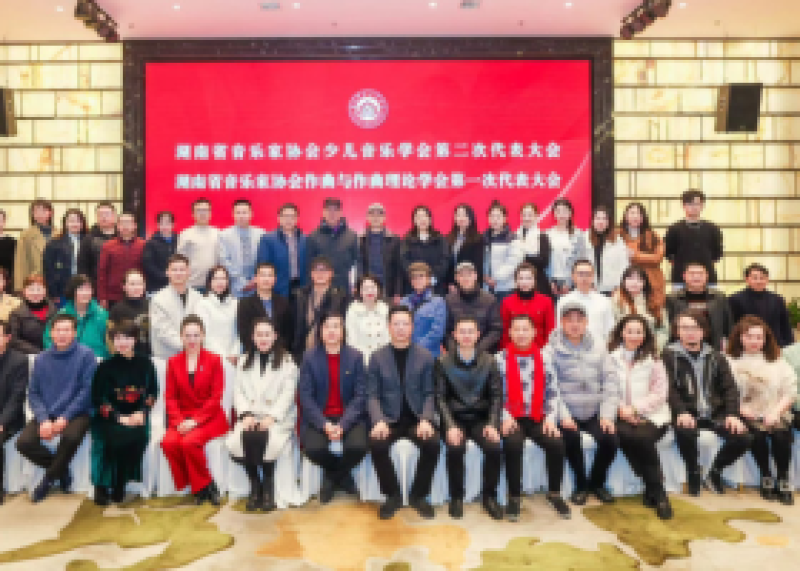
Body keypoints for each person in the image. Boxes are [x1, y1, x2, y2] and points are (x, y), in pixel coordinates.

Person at [664, 309, 752, 495]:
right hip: (686, 413)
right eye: (685, 328)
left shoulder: (717, 356)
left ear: (704, 331)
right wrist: (680, 411)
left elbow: (730, 388)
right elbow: (668, 388)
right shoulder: (668, 355)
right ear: (677, 331)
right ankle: (693, 471)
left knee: (744, 437)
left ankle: (715, 471)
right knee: (684, 431)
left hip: (715, 414)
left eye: (695, 328)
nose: (690, 332)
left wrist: (732, 415)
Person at [544, 301, 620, 505]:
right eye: (569, 320)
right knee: (571, 438)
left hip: (595, 410)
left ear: (586, 322)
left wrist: (607, 415)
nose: (574, 324)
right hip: (567, 410)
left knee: (611, 439)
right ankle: (580, 485)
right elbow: (550, 387)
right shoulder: (550, 350)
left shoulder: (599, 346)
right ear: (561, 322)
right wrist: (563, 415)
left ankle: (597, 482)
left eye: (579, 320)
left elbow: (611, 381)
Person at [367, 306, 439, 520]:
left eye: (405, 324)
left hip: (416, 419)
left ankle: (419, 495)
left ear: (412, 327)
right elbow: (372, 395)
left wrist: (426, 419)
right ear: (389, 327)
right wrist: (378, 420)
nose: (400, 328)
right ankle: (393, 495)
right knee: (377, 444)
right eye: (396, 324)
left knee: (432, 443)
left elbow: (430, 393)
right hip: (389, 419)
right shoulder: (377, 357)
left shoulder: (425, 356)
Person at [16, 314, 97, 502]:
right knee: (24, 443)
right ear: (51, 333)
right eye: (58, 330)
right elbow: (33, 393)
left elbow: (87, 391)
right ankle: (61, 470)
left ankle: (48, 480)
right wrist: (44, 419)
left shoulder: (86, 355)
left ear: (74, 333)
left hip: (78, 412)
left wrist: (65, 417)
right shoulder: (41, 359)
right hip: (48, 412)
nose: (62, 334)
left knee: (71, 436)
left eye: (66, 330)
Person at [498, 314, 570, 520]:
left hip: (538, 416)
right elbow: (495, 395)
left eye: (525, 329)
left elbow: (553, 392)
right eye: (517, 329)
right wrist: (505, 417)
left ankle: (554, 493)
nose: (521, 333)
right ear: (510, 332)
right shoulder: (499, 359)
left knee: (556, 443)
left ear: (534, 332)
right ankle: (514, 496)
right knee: (513, 444)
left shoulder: (545, 358)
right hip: (512, 416)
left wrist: (550, 419)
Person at [436, 316, 504, 520]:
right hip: (455, 418)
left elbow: (496, 396)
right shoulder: (442, 362)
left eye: (470, 332)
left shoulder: (489, 361)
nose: (466, 336)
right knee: (455, 448)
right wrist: (449, 426)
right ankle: (456, 497)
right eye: (462, 332)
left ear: (477, 335)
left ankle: (489, 496)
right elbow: (440, 398)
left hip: (481, 418)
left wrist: (492, 424)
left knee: (494, 447)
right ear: (454, 335)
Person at [227, 317, 298, 512]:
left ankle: (268, 485)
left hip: (277, 417)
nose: (263, 338)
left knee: (264, 436)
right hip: (250, 415)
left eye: (267, 334)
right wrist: (245, 415)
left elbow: (287, 395)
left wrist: (272, 417)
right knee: (243, 437)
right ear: (253, 337)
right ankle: (254, 484)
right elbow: (238, 392)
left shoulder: (288, 362)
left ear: (275, 336)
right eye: (259, 334)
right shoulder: (243, 361)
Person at [297, 311, 368, 503]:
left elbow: (360, 396)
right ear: (320, 331)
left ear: (343, 331)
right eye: (327, 326)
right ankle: (342, 476)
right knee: (313, 449)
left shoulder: (356, 356)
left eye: (336, 326)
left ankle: (331, 478)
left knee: (359, 447)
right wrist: (324, 424)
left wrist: (343, 424)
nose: (331, 331)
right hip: (320, 417)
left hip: (349, 417)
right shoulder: (309, 357)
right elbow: (306, 396)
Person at [608, 315, 673, 519]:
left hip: (653, 414)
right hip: (620, 414)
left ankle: (657, 492)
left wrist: (635, 409)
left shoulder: (654, 360)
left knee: (643, 438)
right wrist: (622, 410)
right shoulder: (610, 358)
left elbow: (660, 393)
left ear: (645, 335)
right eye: (630, 331)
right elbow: (607, 389)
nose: (634, 336)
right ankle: (655, 488)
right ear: (621, 333)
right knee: (624, 435)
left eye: (639, 332)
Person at [726, 316, 796, 504]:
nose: (754, 341)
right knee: (757, 434)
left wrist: (776, 412)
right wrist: (740, 409)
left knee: (781, 434)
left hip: (775, 410)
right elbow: (723, 392)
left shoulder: (778, 361)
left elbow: (790, 392)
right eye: (749, 336)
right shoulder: (729, 361)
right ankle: (766, 476)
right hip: (745, 411)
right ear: (740, 337)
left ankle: (783, 478)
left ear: (766, 339)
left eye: (759, 337)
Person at [160, 315, 229, 505]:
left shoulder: (214, 360)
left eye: (196, 335)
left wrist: (195, 421)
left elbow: (216, 397)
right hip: (182, 417)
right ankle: (203, 485)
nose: (192, 340)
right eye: (187, 335)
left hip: (210, 417)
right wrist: (178, 421)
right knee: (168, 443)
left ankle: (202, 488)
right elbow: (170, 397)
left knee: (189, 442)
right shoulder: (173, 362)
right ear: (181, 337)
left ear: (203, 336)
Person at [90, 320, 157, 505]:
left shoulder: (146, 363)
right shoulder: (105, 366)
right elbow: (98, 398)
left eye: (127, 337)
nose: (122, 342)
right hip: (110, 416)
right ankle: (101, 485)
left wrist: (142, 412)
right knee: (106, 439)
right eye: (118, 338)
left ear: (135, 339)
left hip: (137, 415)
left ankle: (120, 482)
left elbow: (152, 393)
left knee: (136, 436)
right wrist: (119, 417)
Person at [290, 256, 348, 363]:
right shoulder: (299, 295)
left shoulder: (341, 297)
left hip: (331, 352)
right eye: (316, 270)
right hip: (303, 354)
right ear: (311, 274)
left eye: (324, 270)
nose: (320, 274)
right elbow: (293, 327)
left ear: (331, 273)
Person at [665, 262, 733, 352]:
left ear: (707, 276)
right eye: (692, 274)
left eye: (700, 274)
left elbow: (728, 324)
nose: (696, 277)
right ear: (684, 276)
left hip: (713, 346)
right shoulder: (672, 299)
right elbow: (668, 325)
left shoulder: (719, 297)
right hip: (681, 347)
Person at [665, 190, 723, 288]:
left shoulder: (713, 228)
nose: (694, 207)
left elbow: (717, 254)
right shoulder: (674, 229)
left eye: (697, 204)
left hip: (708, 278)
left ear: (702, 206)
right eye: (690, 204)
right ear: (683, 206)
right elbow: (668, 253)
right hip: (680, 279)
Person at [43, 274, 109, 359]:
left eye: (88, 289)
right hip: (67, 359)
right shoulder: (62, 314)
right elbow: (48, 339)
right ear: (73, 291)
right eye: (81, 289)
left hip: (97, 359)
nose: (85, 293)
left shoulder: (102, 315)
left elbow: (110, 342)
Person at [150, 254, 202, 360]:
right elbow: (163, 331)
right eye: (174, 270)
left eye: (182, 270)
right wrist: (188, 345)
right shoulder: (158, 299)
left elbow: (202, 327)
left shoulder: (198, 298)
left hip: (194, 356)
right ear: (167, 272)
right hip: (167, 357)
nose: (178, 273)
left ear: (188, 272)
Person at [729, 264, 794, 348]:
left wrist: (789, 345)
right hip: (747, 347)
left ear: (767, 279)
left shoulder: (778, 300)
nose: (759, 281)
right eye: (755, 278)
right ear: (747, 279)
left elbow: (785, 325)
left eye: (762, 278)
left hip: (775, 345)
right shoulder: (735, 299)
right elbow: (732, 325)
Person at [444, 262, 502, 355]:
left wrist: (478, 349)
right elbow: (446, 330)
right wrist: (455, 350)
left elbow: (496, 329)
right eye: (462, 275)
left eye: (469, 275)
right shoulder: (448, 300)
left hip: (483, 352)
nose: (466, 278)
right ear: (456, 278)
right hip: (456, 352)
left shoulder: (490, 300)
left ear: (475, 276)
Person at [615, 202, 666, 306]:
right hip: (624, 281)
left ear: (643, 217)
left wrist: (635, 255)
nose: (635, 216)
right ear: (625, 216)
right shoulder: (617, 235)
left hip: (651, 281)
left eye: (639, 213)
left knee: (650, 309)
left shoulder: (652, 235)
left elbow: (658, 258)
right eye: (632, 213)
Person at [0, 319, 28, 504]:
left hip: (9, 418)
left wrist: (2, 422)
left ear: (8, 338)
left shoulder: (18, 360)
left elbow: (17, 397)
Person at [236, 262, 292, 355]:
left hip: (279, 354)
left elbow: (288, 332)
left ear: (275, 279)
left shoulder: (284, 302)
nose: (266, 279)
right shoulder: (245, 304)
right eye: (262, 275)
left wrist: (278, 350)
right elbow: (244, 333)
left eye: (270, 275)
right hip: (254, 354)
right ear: (255, 279)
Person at [556, 260, 616, 345]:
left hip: (599, 348)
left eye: (588, 274)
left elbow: (610, 329)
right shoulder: (564, 301)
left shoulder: (604, 301)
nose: (584, 278)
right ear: (573, 276)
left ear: (593, 277)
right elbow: (560, 329)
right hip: (572, 349)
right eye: (580, 274)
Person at [305, 197, 358, 293]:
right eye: (328, 210)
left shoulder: (352, 236)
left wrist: (356, 285)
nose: (332, 213)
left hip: (344, 287)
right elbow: (309, 265)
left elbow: (356, 263)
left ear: (341, 213)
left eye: (335, 210)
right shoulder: (313, 236)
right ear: (323, 213)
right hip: (321, 288)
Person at [612, 265, 670, 353]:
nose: (634, 283)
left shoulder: (655, 301)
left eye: (639, 279)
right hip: (623, 350)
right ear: (623, 281)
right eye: (630, 278)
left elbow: (663, 330)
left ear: (645, 283)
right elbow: (613, 329)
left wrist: (655, 347)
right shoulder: (616, 301)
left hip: (651, 349)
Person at [256, 203, 307, 299]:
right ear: (279, 218)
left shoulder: (305, 239)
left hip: (300, 286)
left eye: (292, 216)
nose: (289, 220)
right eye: (285, 216)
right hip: (278, 287)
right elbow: (263, 264)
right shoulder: (268, 239)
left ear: (297, 219)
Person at [397, 205, 450, 296]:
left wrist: (431, 279)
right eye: (419, 217)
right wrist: (417, 279)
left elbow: (445, 260)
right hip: (413, 286)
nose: (422, 220)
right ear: (414, 221)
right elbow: (404, 261)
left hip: (435, 286)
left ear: (430, 219)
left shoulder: (440, 239)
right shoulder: (407, 240)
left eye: (425, 216)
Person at [500, 262, 555, 350]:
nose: (524, 282)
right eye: (521, 278)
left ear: (534, 281)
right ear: (516, 281)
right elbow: (505, 331)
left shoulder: (546, 301)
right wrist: (505, 351)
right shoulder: (507, 302)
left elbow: (550, 330)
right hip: (514, 350)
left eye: (528, 278)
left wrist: (547, 351)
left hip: (540, 349)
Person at [96, 213, 145, 309]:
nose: (125, 226)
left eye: (128, 223)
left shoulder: (143, 245)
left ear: (135, 226)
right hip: (113, 296)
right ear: (117, 226)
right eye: (122, 223)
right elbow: (102, 272)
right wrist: (102, 297)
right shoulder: (108, 246)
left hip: (137, 294)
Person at [218, 199, 265, 298]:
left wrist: (256, 279)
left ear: (251, 214)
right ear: (233, 214)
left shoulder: (261, 233)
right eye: (238, 213)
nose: (241, 216)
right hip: (234, 285)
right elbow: (224, 260)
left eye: (244, 212)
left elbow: (264, 259)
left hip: (257, 284)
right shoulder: (224, 235)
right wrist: (242, 282)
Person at [194, 266, 240, 365]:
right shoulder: (202, 304)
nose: (220, 282)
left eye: (223, 278)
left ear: (228, 281)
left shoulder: (235, 303)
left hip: (233, 359)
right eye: (216, 279)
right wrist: (224, 357)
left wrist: (234, 353)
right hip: (211, 358)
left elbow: (238, 333)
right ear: (209, 282)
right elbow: (205, 335)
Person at [400, 262, 446, 357]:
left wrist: (416, 348)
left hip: (429, 354)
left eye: (421, 276)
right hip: (406, 353)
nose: (418, 280)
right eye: (414, 277)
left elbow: (437, 332)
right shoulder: (404, 301)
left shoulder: (438, 302)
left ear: (428, 279)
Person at [43, 208, 87, 306]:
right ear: (65, 223)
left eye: (78, 221)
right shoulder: (54, 243)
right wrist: (53, 293)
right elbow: (49, 270)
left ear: (82, 223)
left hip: (84, 289)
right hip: (62, 290)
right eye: (71, 221)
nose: (75, 224)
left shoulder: (88, 241)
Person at [582, 205, 629, 296]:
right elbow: (579, 264)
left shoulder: (617, 240)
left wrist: (619, 286)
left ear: (609, 222)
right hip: (590, 288)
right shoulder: (584, 238)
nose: (601, 222)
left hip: (612, 289)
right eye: (598, 218)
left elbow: (624, 265)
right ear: (592, 221)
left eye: (604, 219)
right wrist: (588, 283)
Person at [357, 203, 400, 302]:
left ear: (384, 218)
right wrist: (358, 286)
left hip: (387, 288)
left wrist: (398, 291)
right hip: (367, 287)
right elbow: (358, 265)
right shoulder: (360, 239)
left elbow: (398, 268)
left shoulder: (394, 239)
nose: (375, 218)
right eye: (372, 214)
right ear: (367, 217)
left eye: (379, 214)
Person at [482, 201, 524, 303]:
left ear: (505, 218)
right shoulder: (483, 238)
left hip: (506, 287)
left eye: (498, 217)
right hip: (486, 287)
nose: (495, 220)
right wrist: (483, 277)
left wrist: (495, 278)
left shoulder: (513, 238)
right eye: (492, 216)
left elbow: (514, 262)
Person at [177, 197, 221, 292]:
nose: (202, 213)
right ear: (193, 214)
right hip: (192, 284)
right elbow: (180, 261)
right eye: (199, 211)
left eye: (205, 210)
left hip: (214, 284)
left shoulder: (218, 233)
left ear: (210, 213)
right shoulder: (185, 234)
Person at [545, 198, 585, 298]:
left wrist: (569, 282)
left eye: (564, 211)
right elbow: (545, 261)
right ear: (554, 214)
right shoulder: (547, 234)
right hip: (552, 281)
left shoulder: (578, 234)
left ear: (570, 213)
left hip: (571, 282)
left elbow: (580, 261)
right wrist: (550, 281)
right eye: (558, 211)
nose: (561, 215)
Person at [8, 274, 57, 355]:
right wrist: (39, 353)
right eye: (31, 289)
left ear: (45, 291)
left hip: (54, 353)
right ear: (24, 291)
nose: (35, 293)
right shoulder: (16, 314)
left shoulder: (55, 311)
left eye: (39, 289)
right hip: (28, 356)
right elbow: (13, 340)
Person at [346, 275, 390, 362]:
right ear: (359, 291)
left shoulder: (385, 309)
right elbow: (351, 340)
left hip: (383, 359)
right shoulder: (353, 310)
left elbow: (388, 338)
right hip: (360, 359)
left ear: (379, 289)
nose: (370, 291)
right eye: (365, 288)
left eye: (373, 287)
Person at [107, 269, 151, 356]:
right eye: (132, 284)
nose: (136, 287)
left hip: (149, 356)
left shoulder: (152, 306)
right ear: (124, 287)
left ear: (144, 285)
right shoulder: (116, 310)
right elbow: (110, 338)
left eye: (139, 283)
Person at [515, 202, 554, 299]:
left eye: (530, 215)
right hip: (518, 281)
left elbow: (544, 261)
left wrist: (523, 256)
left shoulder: (542, 236)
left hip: (538, 281)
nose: (526, 218)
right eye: (524, 215)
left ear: (536, 216)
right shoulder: (514, 236)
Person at [14, 199, 54, 293]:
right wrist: (20, 287)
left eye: (43, 210)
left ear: (50, 213)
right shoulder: (26, 235)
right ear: (32, 214)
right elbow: (20, 263)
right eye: (36, 211)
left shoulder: (59, 233)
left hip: (55, 283)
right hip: (34, 283)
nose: (40, 214)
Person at [445, 203, 484, 294]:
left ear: (470, 218)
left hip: (470, 283)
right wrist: (451, 282)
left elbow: (477, 265)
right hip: (453, 284)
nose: (461, 218)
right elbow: (448, 263)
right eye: (458, 215)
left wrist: (470, 283)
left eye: (464, 215)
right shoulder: (448, 238)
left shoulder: (478, 238)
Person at [77, 201, 117, 288]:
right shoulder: (88, 239)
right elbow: (82, 266)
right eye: (100, 214)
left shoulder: (122, 236)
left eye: (107, 214)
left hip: (120, 286)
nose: (103, 217)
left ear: (114, 216)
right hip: (96, 286)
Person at [142, 211, 177, 294]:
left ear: (173, 225)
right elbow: (148, 265)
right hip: (156, 286)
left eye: (168, 223)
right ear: (158, 225)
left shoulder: (180, 241)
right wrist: (165, 276)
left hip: (176, 285)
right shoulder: (151, 243)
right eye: (162, 223)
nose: (165, 226)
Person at [0, 210, 17, 290]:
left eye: (0, 221)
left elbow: (15, 266)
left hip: (7, 285)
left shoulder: (12, 242)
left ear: (4, 222)